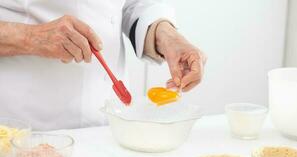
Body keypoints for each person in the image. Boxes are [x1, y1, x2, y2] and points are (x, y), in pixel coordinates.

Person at [0, 1, 206, 130]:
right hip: (23, 128)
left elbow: (130, 4)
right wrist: (29, 37)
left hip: (110, 124)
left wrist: (167, 35)